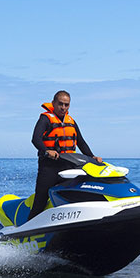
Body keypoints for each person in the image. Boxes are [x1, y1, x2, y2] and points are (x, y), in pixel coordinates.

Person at [28, 90, 103, 220]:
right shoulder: (45, 119)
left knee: (78, 193)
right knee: (41, 199)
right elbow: (35, 139)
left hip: (69, 165)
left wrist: (92, 157)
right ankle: (27, 229)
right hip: (49, 166)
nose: (63, 108)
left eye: (66, 105)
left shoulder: (71, 121)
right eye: (60, 104)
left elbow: (81, 142)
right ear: (53, 103)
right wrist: (47, 151)